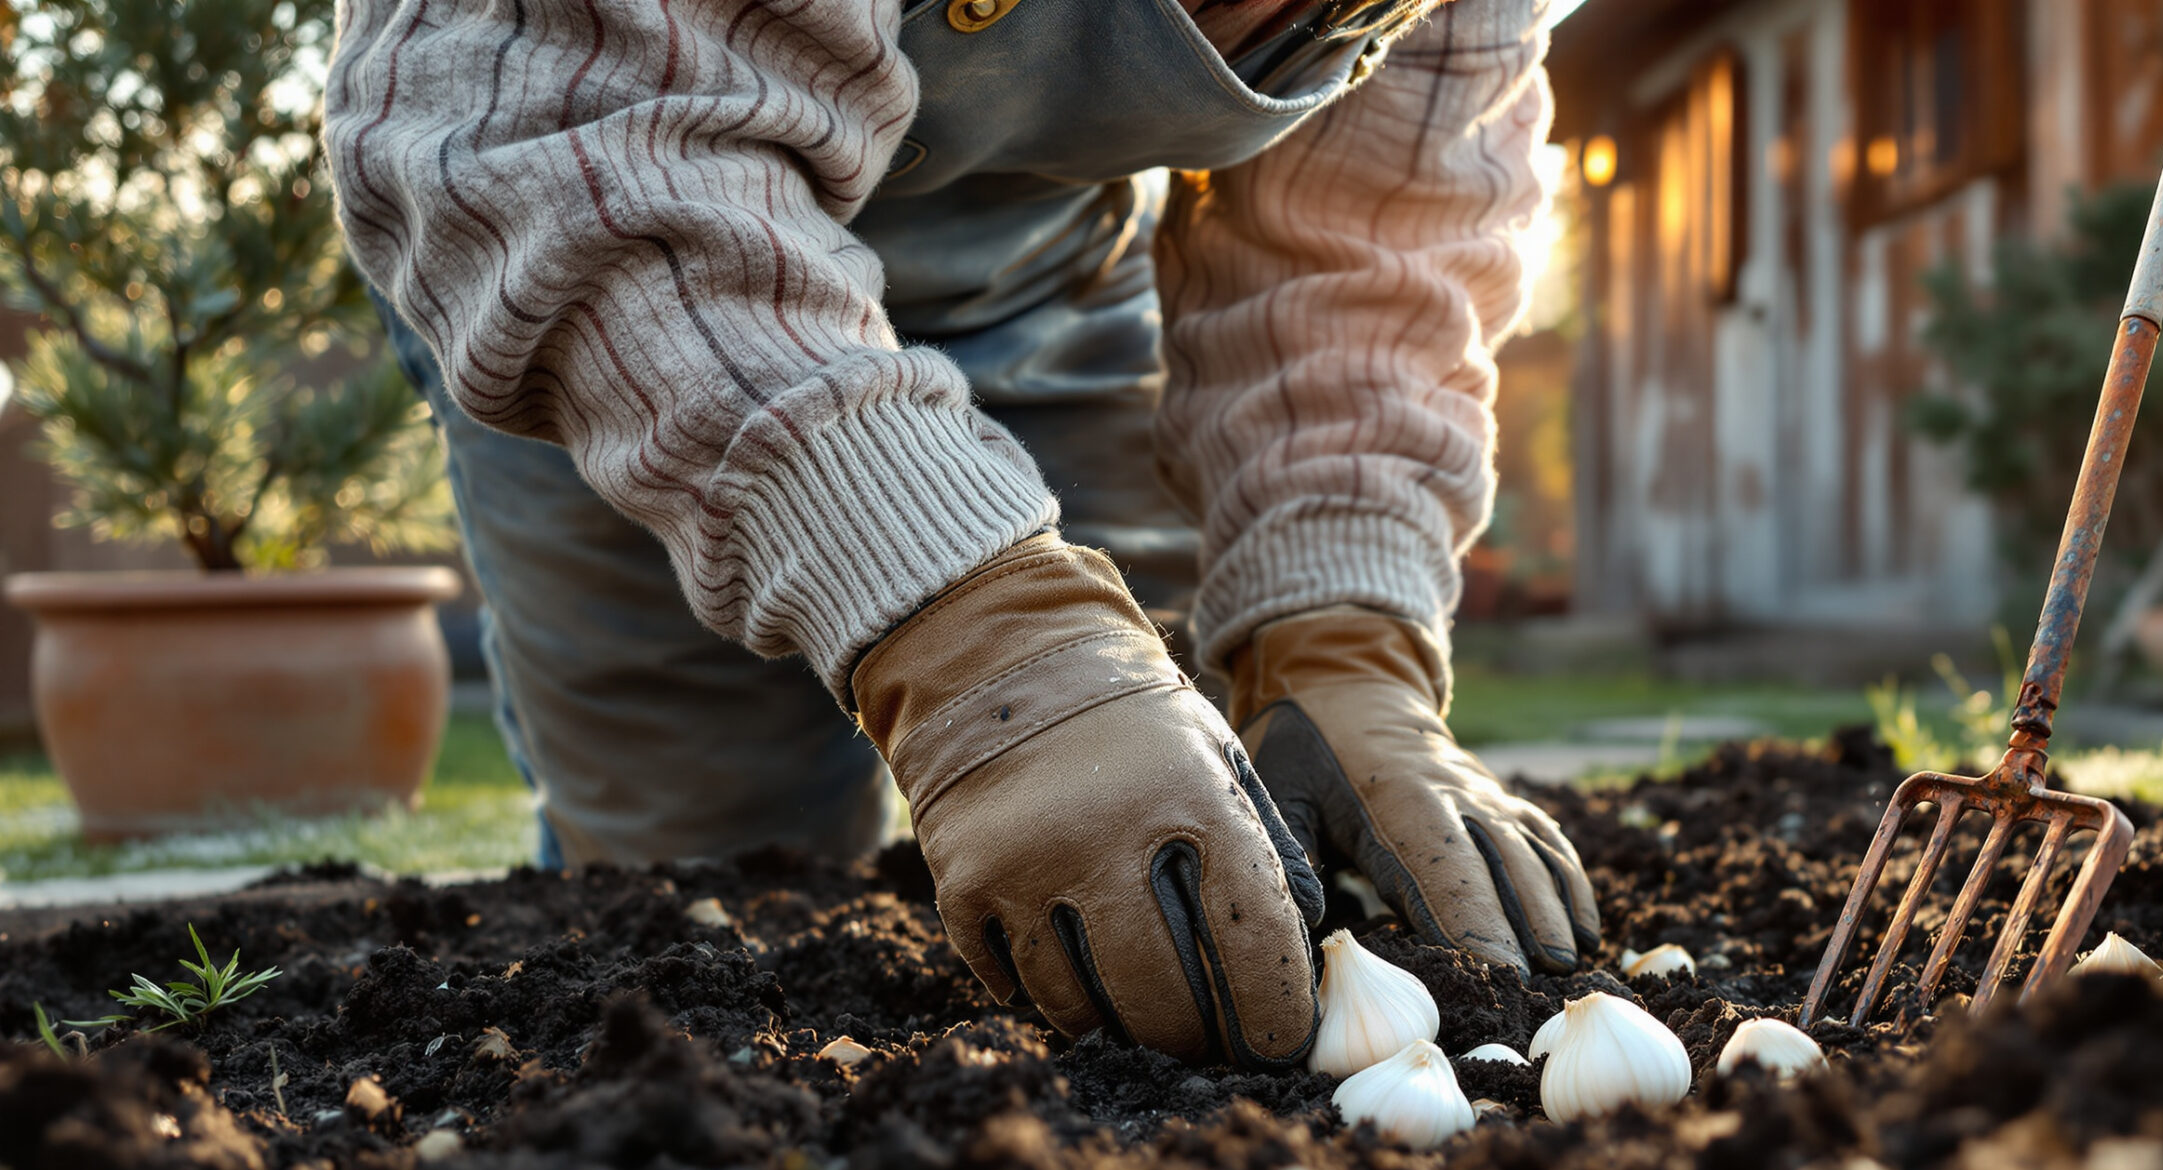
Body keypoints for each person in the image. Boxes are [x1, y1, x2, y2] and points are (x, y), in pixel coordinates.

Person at [326, 0, 1599, 1069]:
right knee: (693, 905)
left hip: (1036, 283)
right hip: (600, 236)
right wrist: (976, 639)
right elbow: (553, 115)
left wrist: (1340, 627)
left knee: (1178, 819)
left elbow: (1367, 234)